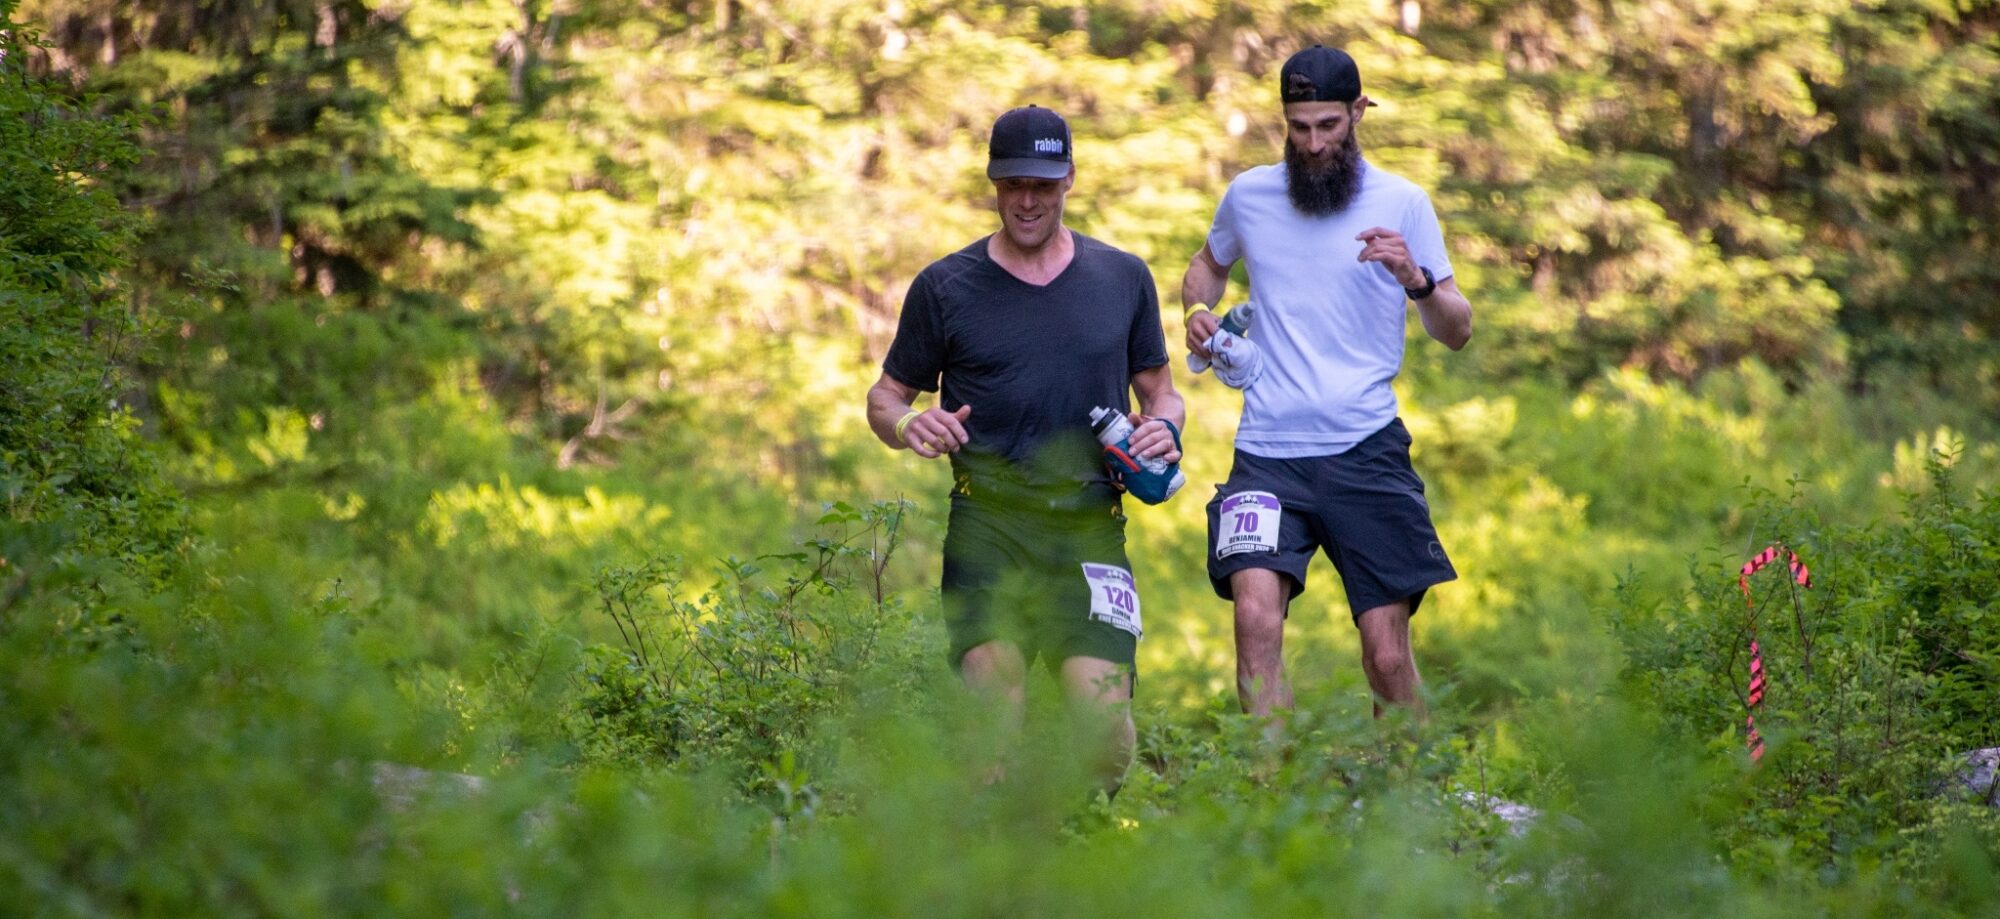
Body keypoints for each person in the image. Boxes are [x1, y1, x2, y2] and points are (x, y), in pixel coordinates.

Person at [865, 105, 1186, 794]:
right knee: (992, 727)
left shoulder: (1122, 276)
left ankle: (1089, 844)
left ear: (1070, 177)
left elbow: (1162, 391)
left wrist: (1165, 426)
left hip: (1090, 527)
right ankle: (994, 873)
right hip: (989, 524)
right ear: (993, 182)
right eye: (1015, 184)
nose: (1029, 200)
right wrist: (907, 425)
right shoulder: (946, 286)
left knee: (1105, 734)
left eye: (1044, 183)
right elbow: (885, 397)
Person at [1181, 45, 1473, 723]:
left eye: (1329, 126)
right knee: (1255, 621)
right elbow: (1205, 265)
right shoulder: (1249, 196)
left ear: (1357, 113)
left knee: (1387, 656)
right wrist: (1197, 312)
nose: (1313, 144)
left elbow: (1456, 330)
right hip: (1266, 451)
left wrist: (1417, 280)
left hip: (1364, 449)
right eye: (1300, 127)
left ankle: (1416, 812)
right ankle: (1270, 810)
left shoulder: (1403, 202)